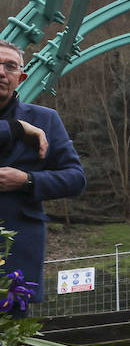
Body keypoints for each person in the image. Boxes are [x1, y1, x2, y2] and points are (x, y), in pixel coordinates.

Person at [0, 40, 86, 307]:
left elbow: (75, 178)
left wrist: (27, 180)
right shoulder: (24, 126)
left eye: (10, 66)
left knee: (11, 339)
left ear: (21, 77)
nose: (1, 72)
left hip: (17, 248)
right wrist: (14, 128)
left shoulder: (45, 119)